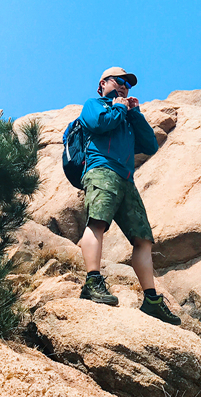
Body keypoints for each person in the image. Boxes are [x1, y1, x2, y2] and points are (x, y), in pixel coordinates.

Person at [77, 67, 181, 325]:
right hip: (101, 170)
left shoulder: (125, 115)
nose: (124, 86)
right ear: (103, 84)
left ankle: (151, 300)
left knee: (143, 239)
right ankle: (92, 282)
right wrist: (119, 108)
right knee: (97, 222)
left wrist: (134, 113)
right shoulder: (94, 105)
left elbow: (150, 145)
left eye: (128, 84)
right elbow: (99, 124)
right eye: (119, 81)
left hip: (126, 180)